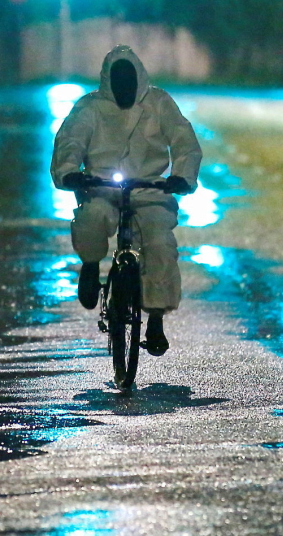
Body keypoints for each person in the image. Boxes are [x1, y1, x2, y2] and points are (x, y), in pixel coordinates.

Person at [51, 45, 202, 356]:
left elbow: (183, 139)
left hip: (150, 192)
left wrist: (182, 176)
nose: (124, 87)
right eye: (117, 80)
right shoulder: (90, 108)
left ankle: (156, 317)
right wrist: (70, 172)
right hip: (103, 188)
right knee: (90, 219)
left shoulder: (159, 104)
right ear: (108, 81)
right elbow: (71, 141)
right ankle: (91, 265)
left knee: (160, 244)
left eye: (128, 79)